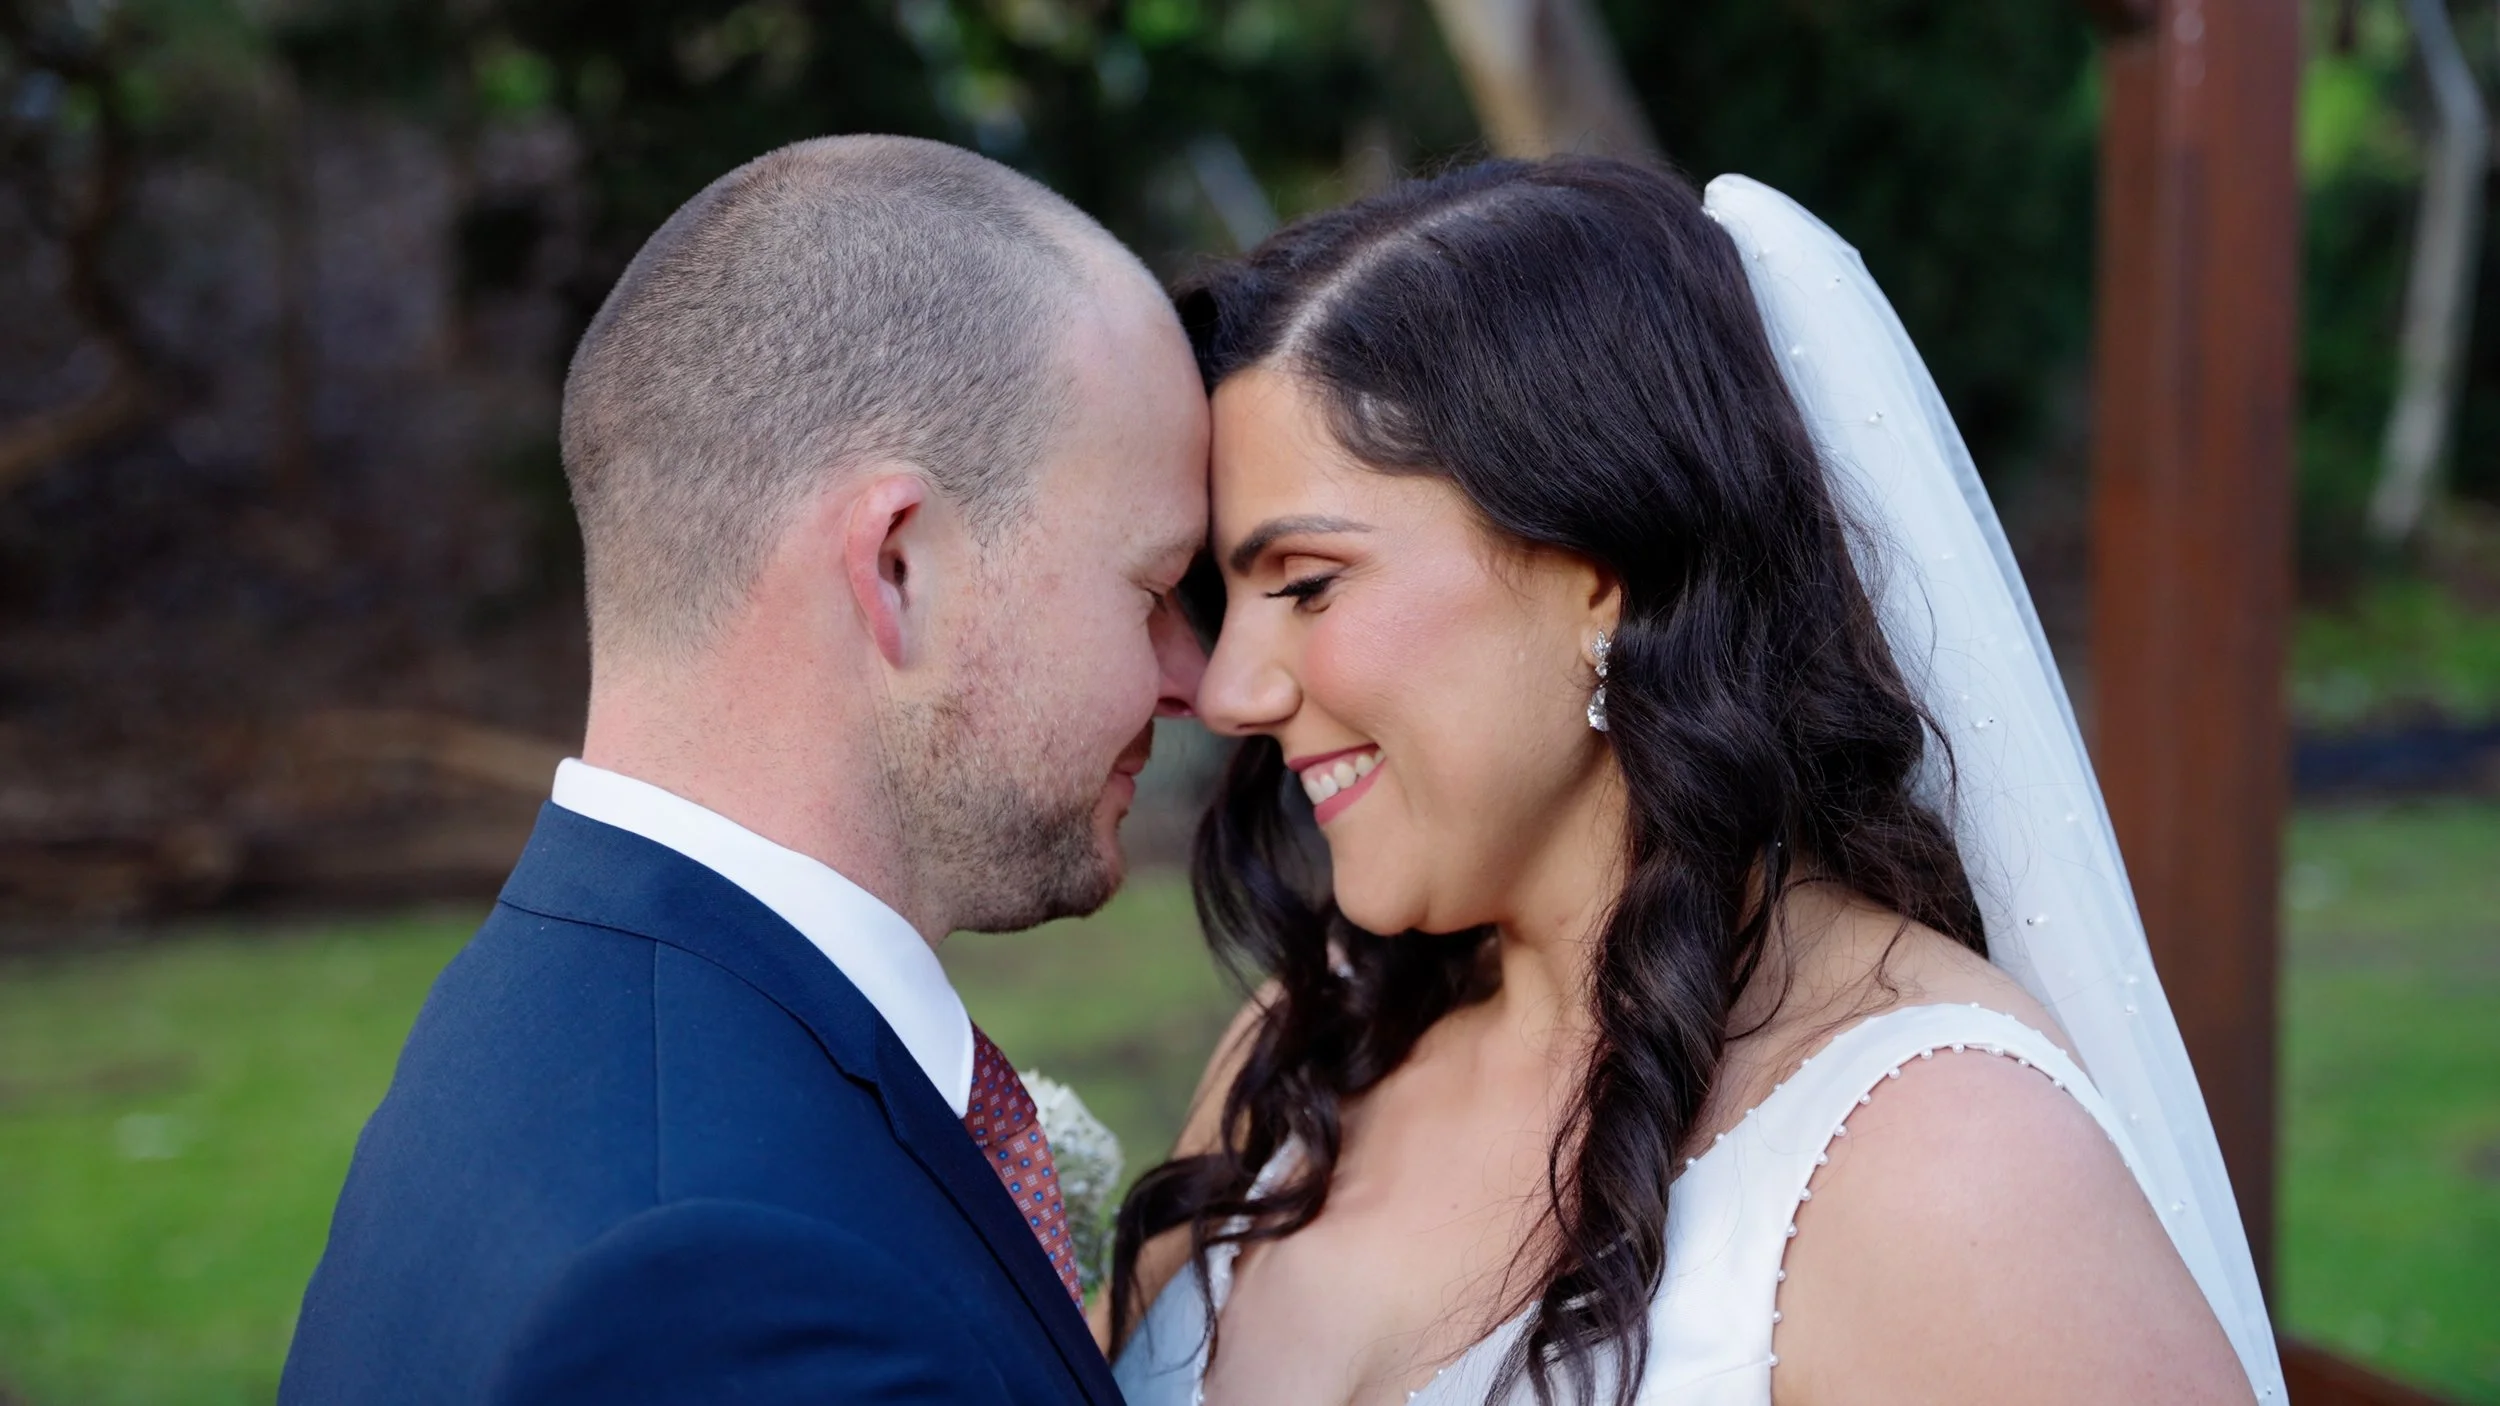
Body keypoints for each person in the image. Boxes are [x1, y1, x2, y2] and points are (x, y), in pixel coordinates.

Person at [1108, 157, 2284, 1406]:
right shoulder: (1303, 1049)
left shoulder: (1938, 1154)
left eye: (1303, 584)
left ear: (1600, 574)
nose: (1228, 689)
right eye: (1221, 601)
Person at [280, 135, 1207, 1405]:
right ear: (898, 570)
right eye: (1152, 589)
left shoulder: (544, 1009)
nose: (1194, 678)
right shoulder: (723, 1288)